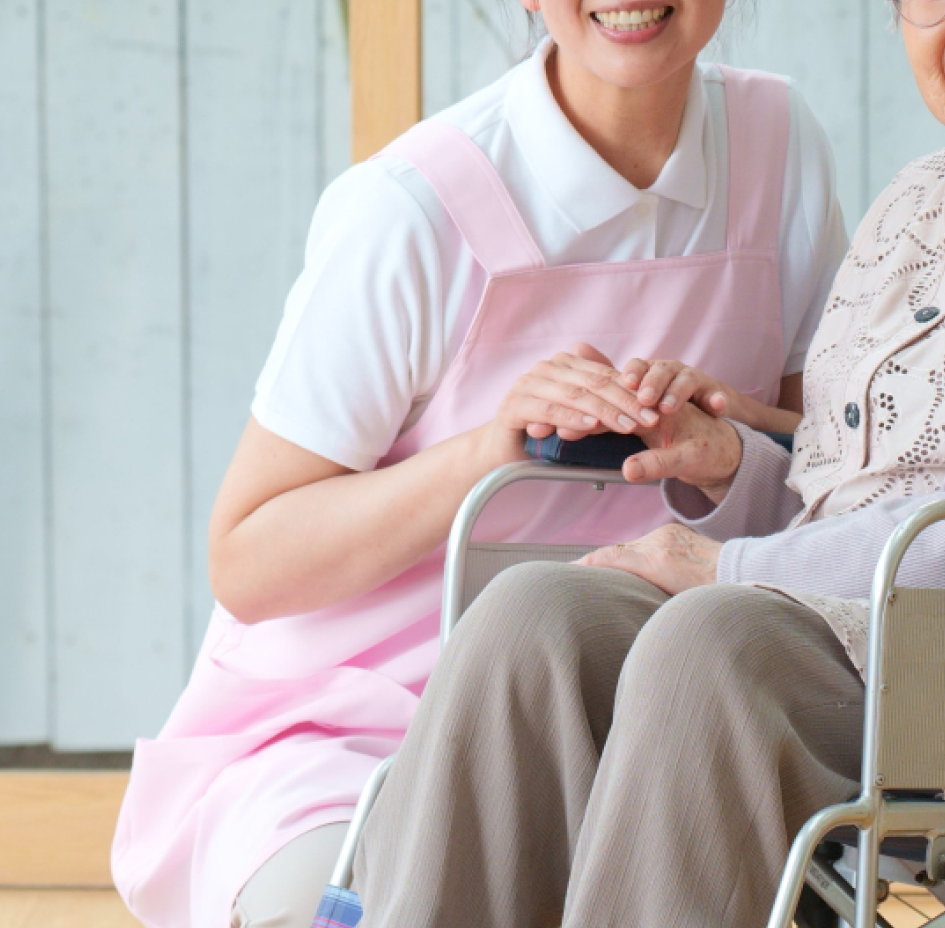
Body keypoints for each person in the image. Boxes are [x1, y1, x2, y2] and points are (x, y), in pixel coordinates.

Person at [346, 1, 945, 927]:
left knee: (712, 646)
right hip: (857, 632)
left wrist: (730, 567)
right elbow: (843, 493)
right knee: (536, 619)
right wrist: (732, 469)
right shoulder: (917, 209)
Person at [110, 1, 849, 926]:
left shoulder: (780, 146)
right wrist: (489, 446)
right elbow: (249, 559)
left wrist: (729, 434)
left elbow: (828, 465)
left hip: (659, 706)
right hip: (366, 717)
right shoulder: (413, 208)